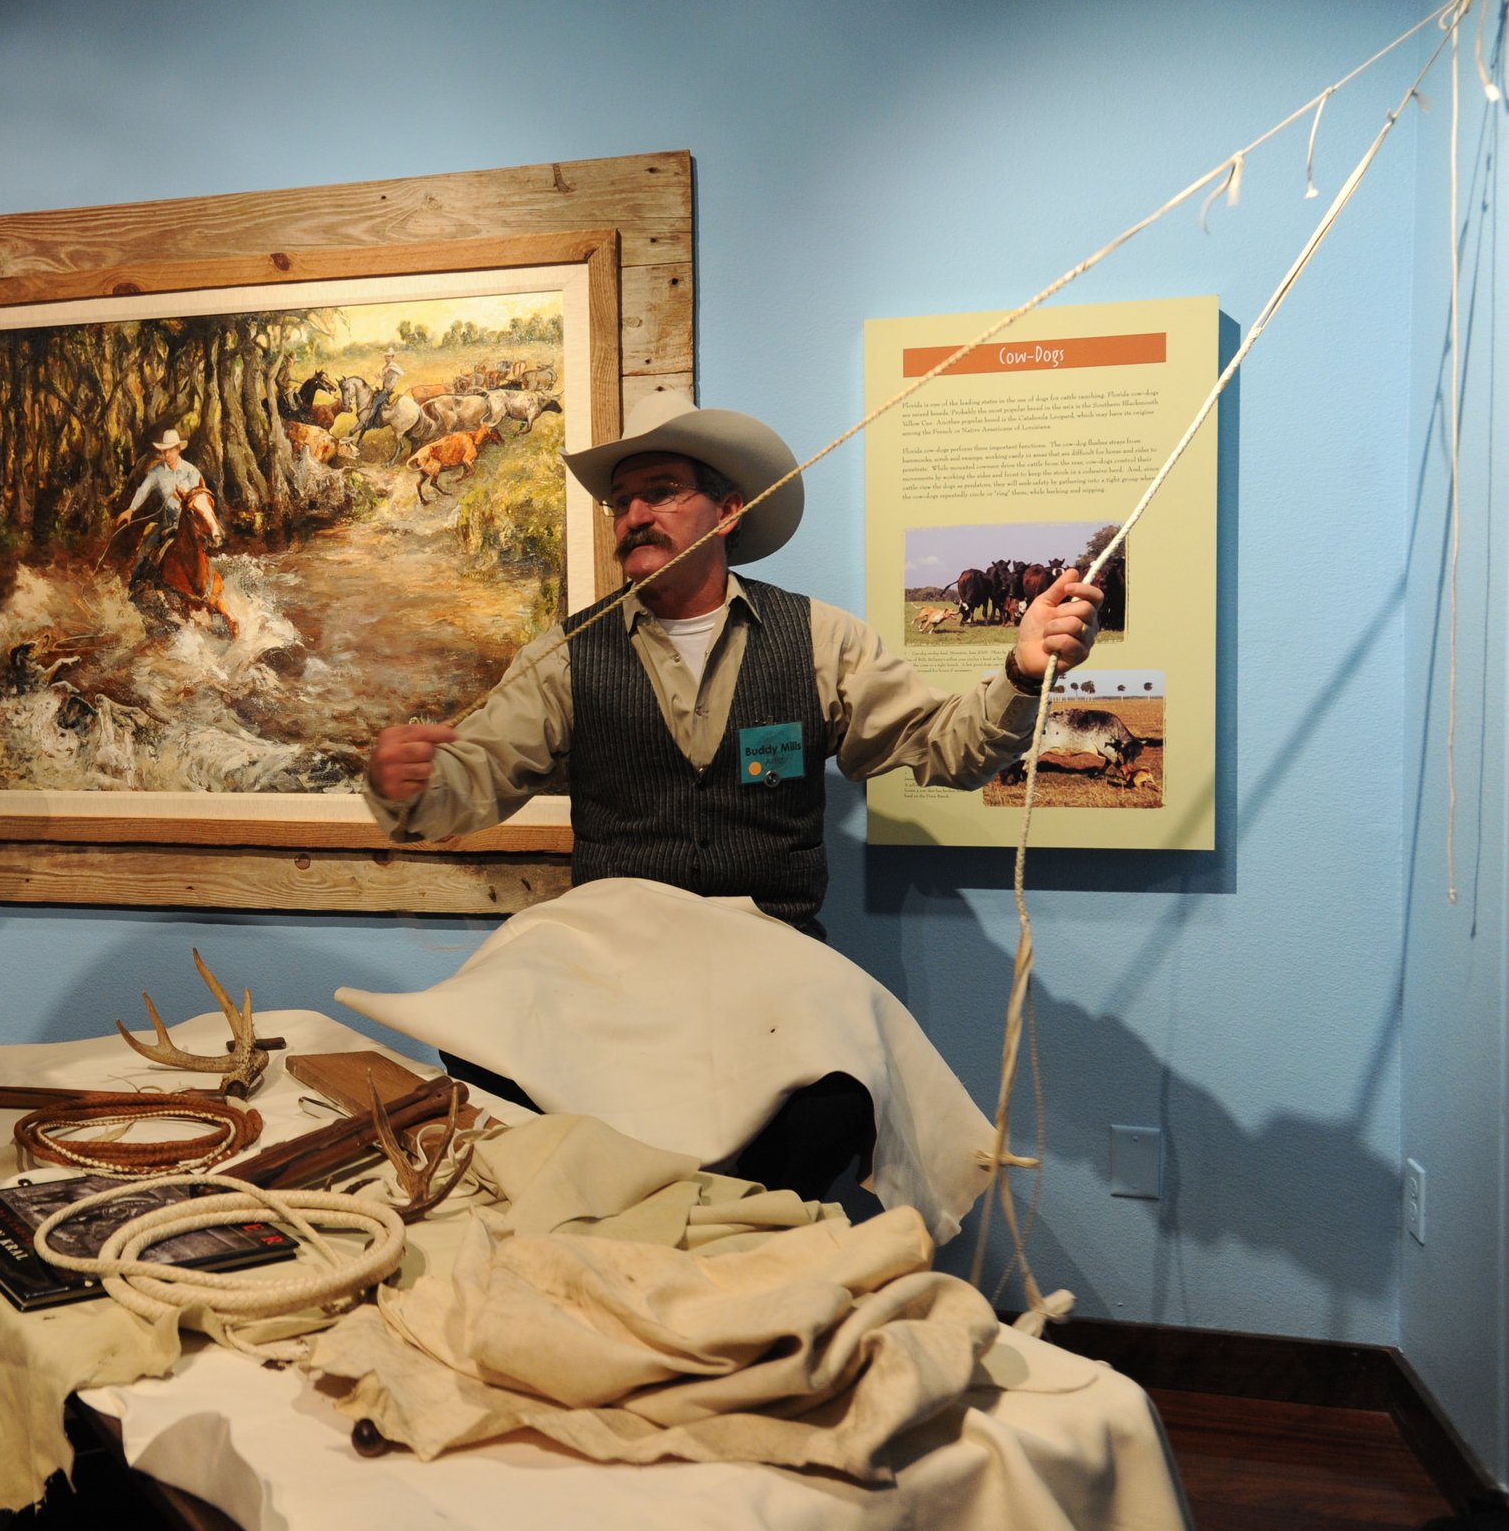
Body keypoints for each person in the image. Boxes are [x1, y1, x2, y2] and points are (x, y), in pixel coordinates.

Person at [363, 396, 1102, 1191]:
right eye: (621, 503)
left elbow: (945, 746)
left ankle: (753, 1258)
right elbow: (470, 782)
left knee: (840, 1104)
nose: (634, 516)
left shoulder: (821, 640)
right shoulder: (566, 654)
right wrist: (407, 787)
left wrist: (1023, 673)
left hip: (769, 967)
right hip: (615, 966)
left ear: (728, 511)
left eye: (661, 492)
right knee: (481, 1035)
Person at [118, 424, 205, 589]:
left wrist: (184, 497)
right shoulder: (157, 472)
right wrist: (131, 509)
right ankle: (134, 589)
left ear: (179, 450)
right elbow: (143, 489)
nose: (167, 454)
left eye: (171, 450)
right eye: (165, 451)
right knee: (145, 551)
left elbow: (198, 496)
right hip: (168, 523)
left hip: (190, 524)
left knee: (202, 550)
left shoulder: (191, 471)